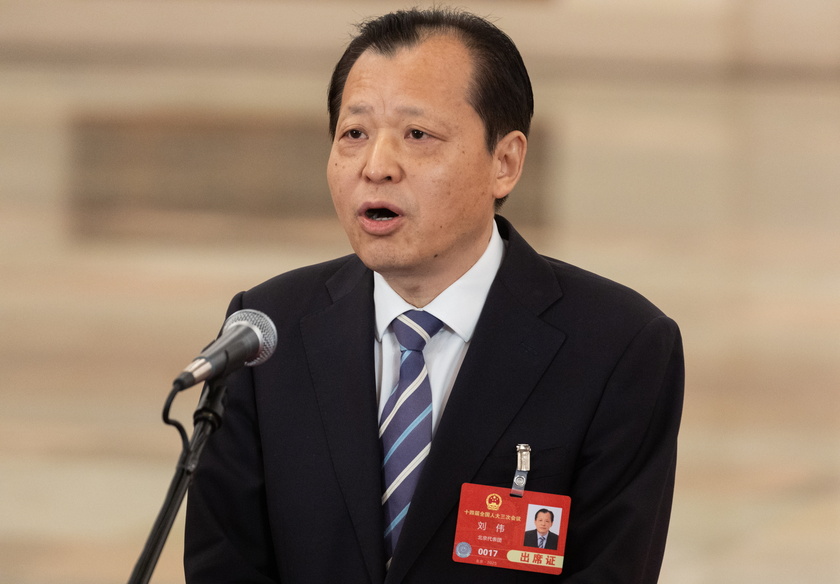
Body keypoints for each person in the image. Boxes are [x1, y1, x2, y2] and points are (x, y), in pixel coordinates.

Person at [184, 7, 684, 583]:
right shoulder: (266, 330)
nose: (376, 166)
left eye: (417, 135)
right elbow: (223, 564)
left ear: (506, 162)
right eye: (354, 134)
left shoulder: (618, 346)